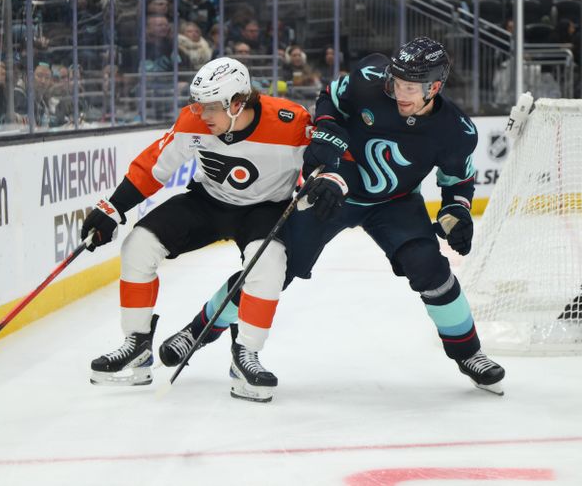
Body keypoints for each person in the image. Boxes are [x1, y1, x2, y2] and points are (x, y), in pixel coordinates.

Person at [161, 37, 508, 397]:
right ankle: (196, 330)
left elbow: (458, 180)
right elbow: (330, 97)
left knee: (429, 268)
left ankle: (470, 354)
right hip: (334, 188)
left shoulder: (456, 130)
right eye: (396, 83)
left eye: (409, 87)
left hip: (396, 203)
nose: (398, 92)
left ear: (434, 87)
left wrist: (457, 213)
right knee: (273, 266)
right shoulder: (370, 79)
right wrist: (328, 139)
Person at [80, 57, 316, 402]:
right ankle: (137, 346)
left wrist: (323, 181)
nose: (202, 114)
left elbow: (326, 156)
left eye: (210, 107)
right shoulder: (194, 122)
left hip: (265, 210)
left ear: (237, 103)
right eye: (198, 105)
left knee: (267, 264)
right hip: (210, 201)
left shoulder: (290, 121)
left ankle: (245, 355)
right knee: (138, 246)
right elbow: (154, 166)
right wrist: (113, 208)